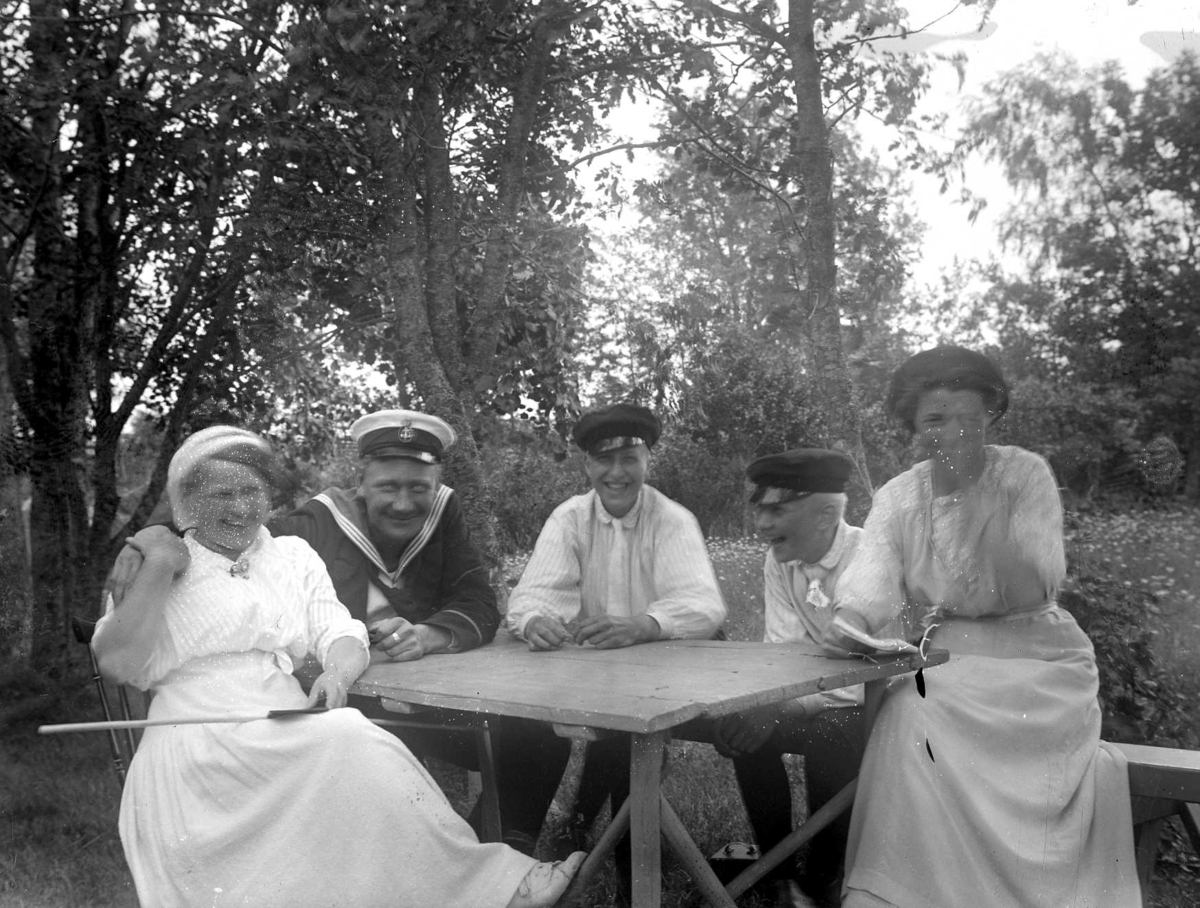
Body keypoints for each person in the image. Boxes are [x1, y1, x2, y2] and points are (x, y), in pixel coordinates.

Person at [92, 426, 584, 908]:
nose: (240, 508)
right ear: (188, 501)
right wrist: (159, 557)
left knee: (355, 738)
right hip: (198, 739)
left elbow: (341, 631)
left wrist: (336, 673)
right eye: (222, 494)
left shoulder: (290, 554)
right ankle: (492, 887)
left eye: (251, 491)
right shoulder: (160, 560)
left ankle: (479, 883)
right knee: (351, 738)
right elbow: (115, 664)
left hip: (281, 722)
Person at [824, 346, 1142, 908]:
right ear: (913, 425)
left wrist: (988, 519)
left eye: (968, 418)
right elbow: (870, 581)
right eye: (935, 419)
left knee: (922, 713)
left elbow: (1033, 587)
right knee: (910, 714)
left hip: (1039, 657)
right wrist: (848, 621)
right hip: (951, 657)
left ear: (990, 415)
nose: (952, 432)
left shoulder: (1023, 474)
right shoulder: (898, 496)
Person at [505, 402, 727, 894]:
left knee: (631, 735)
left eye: (629, 458)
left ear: (648, 461)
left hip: (672, 662)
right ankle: (576, 836)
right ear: (587, 465)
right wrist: (536, 620)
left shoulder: (672, 519)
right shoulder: (569, 518)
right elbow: (533, 594)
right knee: (565, 721)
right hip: (601, 667)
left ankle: (623, 861)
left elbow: (705, 608)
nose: (617, 472)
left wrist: (646, 625)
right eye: (604, 459)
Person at [683, 448, 866, 908]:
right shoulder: (780, 559)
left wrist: (788, 703)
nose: (762, 524)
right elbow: (783, 650)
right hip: (819, 695)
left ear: (826, 515)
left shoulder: (869, 558)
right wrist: (765, 702)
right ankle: (777, 871)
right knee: (744, 725)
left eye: (777, 510)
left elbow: (871, 673)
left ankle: (826, 874)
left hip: (879, 700)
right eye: (759, 509)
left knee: (829, 735)